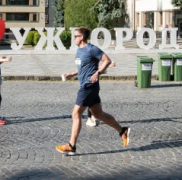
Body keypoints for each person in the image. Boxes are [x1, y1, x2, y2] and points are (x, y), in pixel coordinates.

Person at [56, 27, 130, 155]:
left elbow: (107, 60)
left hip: (88, 86)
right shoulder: (79, 50)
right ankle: (122, 131)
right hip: (89, 86)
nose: (74, 38)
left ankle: (71, 145)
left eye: (75, 36)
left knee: (76, 114)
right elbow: (83, 68)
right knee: (98, 114)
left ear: (82, 37)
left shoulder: (92, 49)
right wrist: (72, 74)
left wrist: (98, 72)